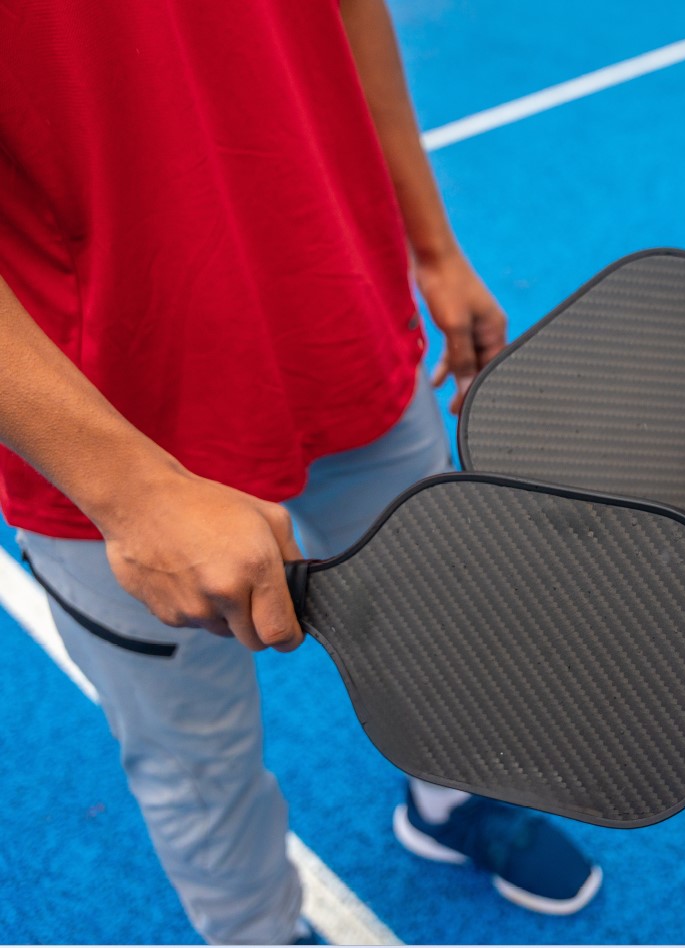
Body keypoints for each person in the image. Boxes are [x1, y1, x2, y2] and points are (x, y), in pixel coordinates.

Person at [0, 2, 600, 943]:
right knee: (196, 757)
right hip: (108, 416)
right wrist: (127, 487)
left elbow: (347, 17)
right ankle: (257, 931)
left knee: (438, 623)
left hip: (342, 320)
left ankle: (449, 802)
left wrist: (431, 248)